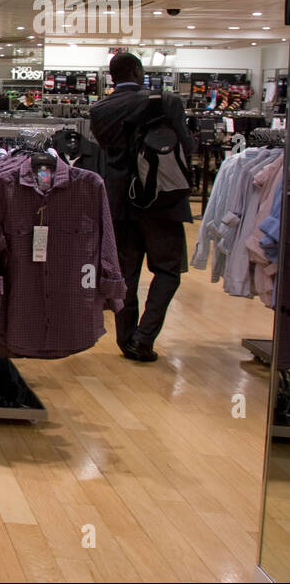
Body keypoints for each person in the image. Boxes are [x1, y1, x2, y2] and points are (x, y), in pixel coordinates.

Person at [90, 52, 194, 362]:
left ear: (111, 76)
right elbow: (185, 147)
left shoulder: (100, 110)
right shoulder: (167, 102)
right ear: (138, 71)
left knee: (125, 273)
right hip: (163, 200)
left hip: (121, 202)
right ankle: (144, 337)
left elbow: (108, 152)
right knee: (167, 269)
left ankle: (126, 339)